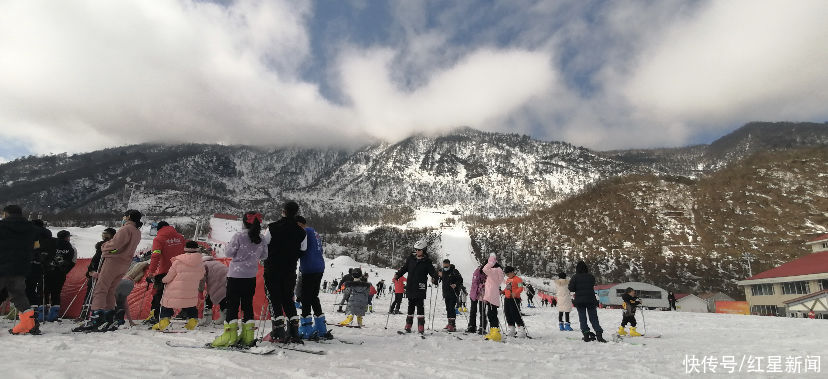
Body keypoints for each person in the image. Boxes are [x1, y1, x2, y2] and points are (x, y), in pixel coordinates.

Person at [75, 210, 143, 332]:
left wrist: (104, 247)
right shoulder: (137, 232)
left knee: (101, 288)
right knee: (111, 289)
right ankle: (109, 316)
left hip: (113, 261)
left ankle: (97, 317)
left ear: (128, 217)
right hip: (125, 263)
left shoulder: (125, 229)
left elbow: (115, 245)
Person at [212, 212, 267, 347]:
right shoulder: (261, 238)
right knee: (247, 305)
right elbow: (264, 255)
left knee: (232, 305)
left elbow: (228, 253)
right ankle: (248, 337)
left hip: (235, 276)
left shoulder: (239, 236)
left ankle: (230, 336)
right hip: (251, 276)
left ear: (244, 222)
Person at [264, 201, 307, 344]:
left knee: (274, 298)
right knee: (288, 299)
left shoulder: (272, 227)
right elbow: (303, 250)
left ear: (283, 211)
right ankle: (294, 332)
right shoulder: (301, 232)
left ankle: (278, 332)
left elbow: (264, 246)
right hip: (289, 270)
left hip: (273, 268)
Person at [1, 205, 42, 334]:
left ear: (6, 213)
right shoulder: (31, 228)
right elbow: (36, 247)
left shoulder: (1, 226)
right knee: (18, 295)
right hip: (21, 268)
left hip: (2, 266)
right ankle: (28, 324)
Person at [152, 241, 205, 331]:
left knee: (166, 304)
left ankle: (164, 321)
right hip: (191, 291)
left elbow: (169, 277)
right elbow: (201, 276)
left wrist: (162, 280)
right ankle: (193, 321)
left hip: (175, 291)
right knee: (190, 305)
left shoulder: (178, 262)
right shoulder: (200, 263)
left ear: (186, 249)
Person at [144, 221, 185, 324]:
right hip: (179, 271)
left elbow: (155, 255)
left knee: (159, 294)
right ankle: (167, 316)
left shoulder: (159, 239)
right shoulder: (180, 238)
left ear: (159, 229)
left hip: (164, 271)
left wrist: (151, 271)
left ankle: (156, 316)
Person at [393, 240, 438, 334]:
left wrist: (435, 278)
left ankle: (421, 325)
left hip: (421, 286)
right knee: (411, 305)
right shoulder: (411, 259)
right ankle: (408, 324)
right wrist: (398, 275)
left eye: (419, 250)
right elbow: (404, 268)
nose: (417, 251)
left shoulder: (427, 261)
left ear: (424, 250)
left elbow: (432, 272)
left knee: (420, 305)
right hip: (410, 285)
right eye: (416, 249)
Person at [296, 215, 329, 340]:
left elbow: (300, 248)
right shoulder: (314, 231)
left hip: (309, 267)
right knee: (313, 296)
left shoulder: (304, 232)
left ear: (299, 224)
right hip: (319, 266)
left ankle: (306, 329)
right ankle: (321, 327)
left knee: (305, 297)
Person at [81, 228, 116, 320]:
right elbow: (95, 260)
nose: (104, 236)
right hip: (96, 272)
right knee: (92, 292)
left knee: (97, 293)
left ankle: (94, 313)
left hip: (101, 272)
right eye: (103, 234)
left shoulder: (110, 246)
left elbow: (100, 259)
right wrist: (90, 270)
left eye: (106, 234)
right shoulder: (101, 246)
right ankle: (86, 313)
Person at [568, 260, 606, 343]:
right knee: (594, 317)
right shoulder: (591, 276)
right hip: (591, 299)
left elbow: (571, 288)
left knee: (582, 318)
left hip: (580, 301)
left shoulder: (575, 277)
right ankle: (599, 334)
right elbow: (592, 284)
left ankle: (586, 335)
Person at [42, 230, 76, 321]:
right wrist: (65, 271)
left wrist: (45, 267)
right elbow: (73, 261)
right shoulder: (71, 248)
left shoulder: (51, 244)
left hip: (48, 271)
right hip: (60, 273)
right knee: (56, 292)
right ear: (66, 237)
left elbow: (44, 257)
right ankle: (53, 315)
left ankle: (41, 313)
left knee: (44, 291)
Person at [110, 260, 149, 330]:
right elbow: (125, 305)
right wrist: (131, 321)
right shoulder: (130, 282)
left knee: (116, 303)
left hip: (119, 286)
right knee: (121, 305)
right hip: (128, 285)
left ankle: (114, 320)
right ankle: (119, 321)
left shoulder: (124, 277)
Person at [25, 220, 54, 316]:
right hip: (44, 264)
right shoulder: (49, 236)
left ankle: (30, 311)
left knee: (29, 288)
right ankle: (39, 309)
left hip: (31, 263)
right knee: (41, 288)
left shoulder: (32, 233)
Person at [201, 244, 228, 327]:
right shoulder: (214, 261)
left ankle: (208, 318)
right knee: (222, 296)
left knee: (216, 296)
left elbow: (202, 279)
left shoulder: (203, 265)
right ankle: (224, 317)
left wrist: (200, 290)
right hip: (229, 278)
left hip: (218, 281)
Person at [482, 254, 504, 341]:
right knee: (492, 314)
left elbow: (484, 269)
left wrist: (490, 262)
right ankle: (493, 331)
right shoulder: (497, 271)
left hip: (491, 296)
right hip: (492, 296)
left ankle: (495, 332)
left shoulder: (494, 270)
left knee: (492, 314)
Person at [502, 266, 527, 338]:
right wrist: (503, 292)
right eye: (506, 274)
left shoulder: (518, 279)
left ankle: (521, 329)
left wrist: (515, 293)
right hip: (507, 298)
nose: (507, 275)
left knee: (515, 313)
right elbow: (507, 288)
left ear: (513, 272)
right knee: (507, 313)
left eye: (508, 273)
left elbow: (521, 288)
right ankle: (511, 328)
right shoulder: (508, 280)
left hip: (514, 299)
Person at [438, 259, 463, 332]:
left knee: (451, 308)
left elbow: (460, 280)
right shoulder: (442, 271)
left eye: (446, 265)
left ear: (449, 264)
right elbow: (439, 279)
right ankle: (449, 323)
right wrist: (438, 277)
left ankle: (453, 325)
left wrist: (455, 284)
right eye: (444, 265)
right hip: (446, 293)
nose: (445, 266)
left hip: (453, 292)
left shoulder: (454, 271)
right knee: (448, 308)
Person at [466, 263, 487, 334]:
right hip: (475, 293)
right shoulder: (477, 271)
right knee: (473, 310)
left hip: (483, 293)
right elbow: (475, 283)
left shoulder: (488, 272)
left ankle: (482, 326)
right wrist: (480, 286)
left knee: (482, 310)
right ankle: (472, 325)